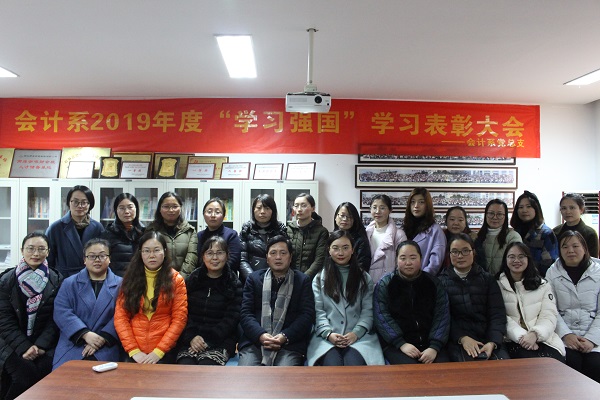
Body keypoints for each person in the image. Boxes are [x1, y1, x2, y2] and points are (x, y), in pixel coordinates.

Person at [307, 231, 384, 366]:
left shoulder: (364, 278)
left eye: (345, 248)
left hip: (359, 338)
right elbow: (318, 312)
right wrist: (328, 333)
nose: (340, 253)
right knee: (333, 367)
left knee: (354, 367)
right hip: (327, 338)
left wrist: (356, 333)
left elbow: (368, 311)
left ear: (352, 250)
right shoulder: (319, 279)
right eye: (335, 248)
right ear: (329, 250)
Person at [0, 233, 61, 400]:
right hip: (10, 343)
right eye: (31, 248)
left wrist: (40, 345)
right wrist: (24, 347)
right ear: (22, 250)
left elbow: (56, 318)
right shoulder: (6, 280)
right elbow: (4, 320)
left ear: (48, 252)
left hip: (43, 344)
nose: (36, 253)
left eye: (41, 249)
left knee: (45, 373)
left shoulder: (56, 280)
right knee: (24, 376)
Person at [238, 236, 315, 366]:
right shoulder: (254, 279)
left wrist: (284, 336)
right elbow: (246, 313)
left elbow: (306, 316)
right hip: (255, 342)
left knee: (284, 375)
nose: (278, 257)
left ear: (290, 257)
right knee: (247, 374)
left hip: (289, 344)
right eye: (273, 253)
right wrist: (261, 335)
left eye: (283, 253)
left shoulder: (302, 281)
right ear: (267, 258)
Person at [114, 231, 188, 364]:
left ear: (164, 251)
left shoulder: (176, 280)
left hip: (164, 349)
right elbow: (121, 318)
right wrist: (133, 350)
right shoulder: (130, 279)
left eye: (156, 250)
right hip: (134, 348)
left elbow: (179, 319)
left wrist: (158, 352)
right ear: (140, 253)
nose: (151, 255)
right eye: (147, 251)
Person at [374, 240, 450, 364]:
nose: (408, 263)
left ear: (421, 259)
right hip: (397, 345)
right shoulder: (385, 284)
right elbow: (382, 317)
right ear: (396, 260)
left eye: (413, 258)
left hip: (431, 344)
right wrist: (401, 344)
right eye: (403, 258)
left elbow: (442, 316)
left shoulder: (433, 283)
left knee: (442, 370)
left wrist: (434, 346)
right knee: (410, 371)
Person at [52, 238, 123, 369]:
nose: (97, 260)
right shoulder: (69, 283)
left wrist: (102, 338)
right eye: (92, 256)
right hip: (73, 344)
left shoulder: (122, 285)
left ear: (109, 259)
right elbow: (62, 312)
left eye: (102, 255)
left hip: (107, 345)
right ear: (84, 260)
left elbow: (123, 315)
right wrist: (85, 334)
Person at [438, 233, 508, 361]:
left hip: (488, 338)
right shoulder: (441, 282)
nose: (460, 256)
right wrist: (462, 338)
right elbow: (443, 318)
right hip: (458, 341)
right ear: (449, 255)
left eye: (465, 251)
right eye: (455, 252)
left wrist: (493, 342)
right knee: (471, 369)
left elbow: (497, 314)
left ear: (473, 252)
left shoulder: (487, 280)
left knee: (504, 368)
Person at [177, 236, 242, 366]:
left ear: (227, 256)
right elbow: (182, 311)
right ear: (203, 256)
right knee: (185, 365)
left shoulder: (233, 283)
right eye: (210, 253)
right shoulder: (193, 279)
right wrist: (192, 337)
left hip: (220, 341)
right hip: (191, 340)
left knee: (207, 366)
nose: (215, 258)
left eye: (220, 253)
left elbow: (232, 319)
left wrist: (208, 340)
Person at [546, 231, 600, 382]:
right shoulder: (552, 272)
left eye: (575, 246)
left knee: (595, 364)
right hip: (565, 335)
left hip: (595, 335)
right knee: (569, 364)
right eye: (565, 247)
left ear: (584, 248)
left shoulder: (598, 272)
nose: (570, 250)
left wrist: (591, 339)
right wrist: (566, 335)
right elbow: (550, 309)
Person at [496, 242, 565, 361]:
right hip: (513, 339)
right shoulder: (497, 285)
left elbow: (549, 315)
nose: (516, 260)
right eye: (511, 257)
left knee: (554, 363)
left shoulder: (542, 285)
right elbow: (500, 317)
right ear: (505, 260)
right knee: (530, 363)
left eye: (521, 256)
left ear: (528, 259)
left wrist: (535, 334)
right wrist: (523, 338)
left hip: (544, 338)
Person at [46, 185, 104, 277]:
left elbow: (103, 256)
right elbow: (48, 260)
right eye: (75, 202)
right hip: (63, 278)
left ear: (90, 205)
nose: (80, 206)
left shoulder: (98, 228)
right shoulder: (55, 228)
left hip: (91, 277)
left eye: (84, 202)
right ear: (69, 203)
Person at [145, 191, 198, 279]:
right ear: (160, 209)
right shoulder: (151, 231)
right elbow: (148, 256)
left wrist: (180, 279)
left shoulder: (190, 231)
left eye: (175, 206)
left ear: (180, 208)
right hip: (157, 280)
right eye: (166, 207)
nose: (171, 210)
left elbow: (192, 257)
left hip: (183, 281)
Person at [239, 194, 287, 284]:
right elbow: (242, 259)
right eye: (259, 208)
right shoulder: (246, 230)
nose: (262, 212)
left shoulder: (280, 230)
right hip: (249, 280)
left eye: (267, 208)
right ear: (253, 210)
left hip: (275, 280)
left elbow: (285, 258)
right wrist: (254, 280)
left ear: (273, 211)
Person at [510, 190, 558, 277]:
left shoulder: (546, 233)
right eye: (521, 207)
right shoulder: (513, 233)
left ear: (536, 208)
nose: (524, 210)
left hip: (538, 280)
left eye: (529, 206)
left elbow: (550, 263)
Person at [402, 188, 446, 276]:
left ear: (427, 205)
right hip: (402, 279)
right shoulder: (403, 229)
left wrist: (421, 278)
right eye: (413, 202)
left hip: (424, 279)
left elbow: (435, 263)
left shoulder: (435, 231)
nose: (416, 206)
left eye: (421, 202)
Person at [101, 193, 145, 277]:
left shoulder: (145, 233)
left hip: (139, 280)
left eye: (130, 207)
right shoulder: (108, 234)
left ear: (136, 209)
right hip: (116, 280)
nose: (126, 212)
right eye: (121, 208)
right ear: (116, 211)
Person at [286, 193, 329, 279]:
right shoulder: (288, 229)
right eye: (296, 206)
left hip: (312, 279)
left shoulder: (321, 231)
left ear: (313, 208)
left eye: (303, 205)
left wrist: (304, 278)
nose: (299, 209)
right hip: (289, 278)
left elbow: (320, 260)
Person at [366, 194, 407, 283]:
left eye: (382, 208)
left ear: (390, 210)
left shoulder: (399, 235)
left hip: (388, 284)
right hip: (367, 284)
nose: (377, 211)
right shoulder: (365, 233)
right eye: (374, 207)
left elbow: (402, 263)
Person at [474, 199, 522, 275]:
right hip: (481, 280)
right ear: (486, 215)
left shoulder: (513, 236)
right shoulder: (478, 236)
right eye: (491, 213)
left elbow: (517, 262)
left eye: (499, 214)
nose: (495, 217)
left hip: (505, 279)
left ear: (505, 216)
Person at [197, 197, 242, 275]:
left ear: (224, 215)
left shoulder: (231, 235)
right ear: (203, 214)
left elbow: (234, 261)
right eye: (209, 212)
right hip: (203, 277)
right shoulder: (199, 236)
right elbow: (197, 260)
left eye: (217, 212)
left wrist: (215, 274)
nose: (213, 215)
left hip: (226, 278)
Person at [553, 193, 599, 258]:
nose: (568, 212)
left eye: (572, 208)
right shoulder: (556, 231)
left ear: (581, 210)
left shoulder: (590, 233)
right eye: (564, 208)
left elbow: (593, 260)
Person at [333, 202, 371, 272]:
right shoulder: (331, 238)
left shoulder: (361, 240)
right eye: (342, 215)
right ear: (336, 217)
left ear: (354, 220)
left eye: (349, 216)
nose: (345, 219)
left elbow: (362, 266)